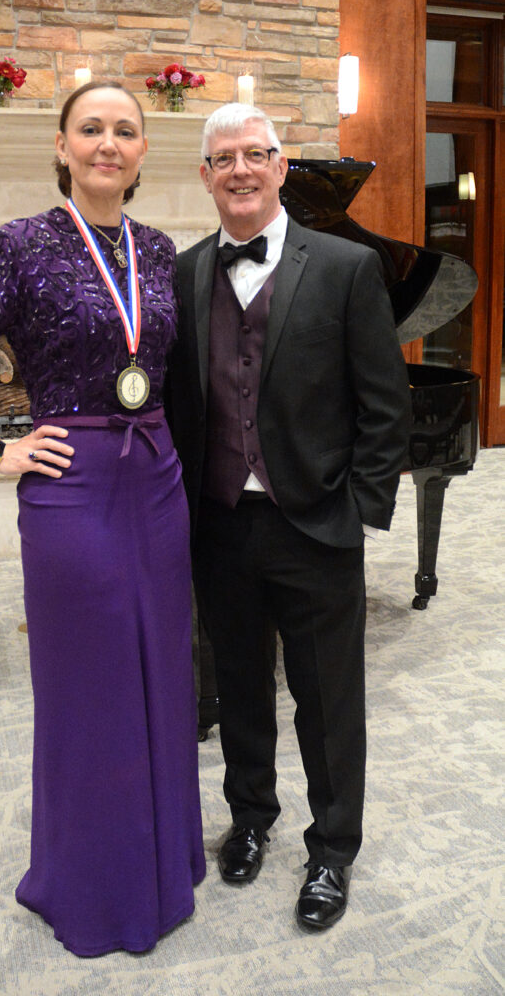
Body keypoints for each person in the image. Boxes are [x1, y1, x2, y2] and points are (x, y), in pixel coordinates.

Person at [0, 81, 205, 957]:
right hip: (71, 485)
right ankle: (94, 888)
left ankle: (162, 857)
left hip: (154, 479)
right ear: (62, 143)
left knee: (162, 675)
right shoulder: (24, 244)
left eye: (125, 130)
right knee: (91, 688)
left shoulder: (157, 251)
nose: (107, 143)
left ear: (143, 150)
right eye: (91, 129)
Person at [167, 103, 411, 930]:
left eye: (254, 155)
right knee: (237, 686)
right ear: (205, 176)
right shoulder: (185, 271)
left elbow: (386, 406)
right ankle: (250, 818)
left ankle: (332, 849)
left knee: (327, 699)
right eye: (222, 158)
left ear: (280, 167)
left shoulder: (344, 268)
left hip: (315, 525)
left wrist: (358, 511)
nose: (239, 170)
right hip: (221, 525)